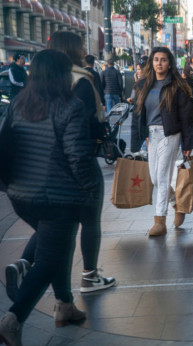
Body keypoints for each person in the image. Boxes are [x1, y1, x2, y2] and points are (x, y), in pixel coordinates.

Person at [0, 49, 99, 345]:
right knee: (47, 259)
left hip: (20, 196)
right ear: (60, 74)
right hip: (58, 198)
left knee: (57, 248)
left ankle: (64, 305)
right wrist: (91, 188)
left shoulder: (18, 103)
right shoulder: (70, 106)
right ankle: (13, 319)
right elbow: (78, 156)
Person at [41, 31, 115, 293]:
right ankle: (89, 275)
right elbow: (82, 124)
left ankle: (34, 269)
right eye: (81, 45)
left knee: (59, 225)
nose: (84, 48)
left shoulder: (42, 80)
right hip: (79, 158)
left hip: (48, 162)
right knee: (89, 219)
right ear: (72, 50)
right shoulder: (81, 80)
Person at [135, 47, 193, 235]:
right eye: (156, 60)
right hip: (151, 135)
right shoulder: (144, 85)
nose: (159, 63)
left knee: (162, 176)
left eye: (163, 60)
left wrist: (188, 144)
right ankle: (176, 201)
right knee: (154, 178)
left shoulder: (177, 86)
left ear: (169, 63)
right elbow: (139, 114)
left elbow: (187, 118)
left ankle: (160, 221)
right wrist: (139, 137)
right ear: (151, 63)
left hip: (170, 134)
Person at [127, 61, 147, 153]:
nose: (137, 71)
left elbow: (140, 98)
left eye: (139, 69)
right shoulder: (142, 82)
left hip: (141, 115)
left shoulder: (143, 83)